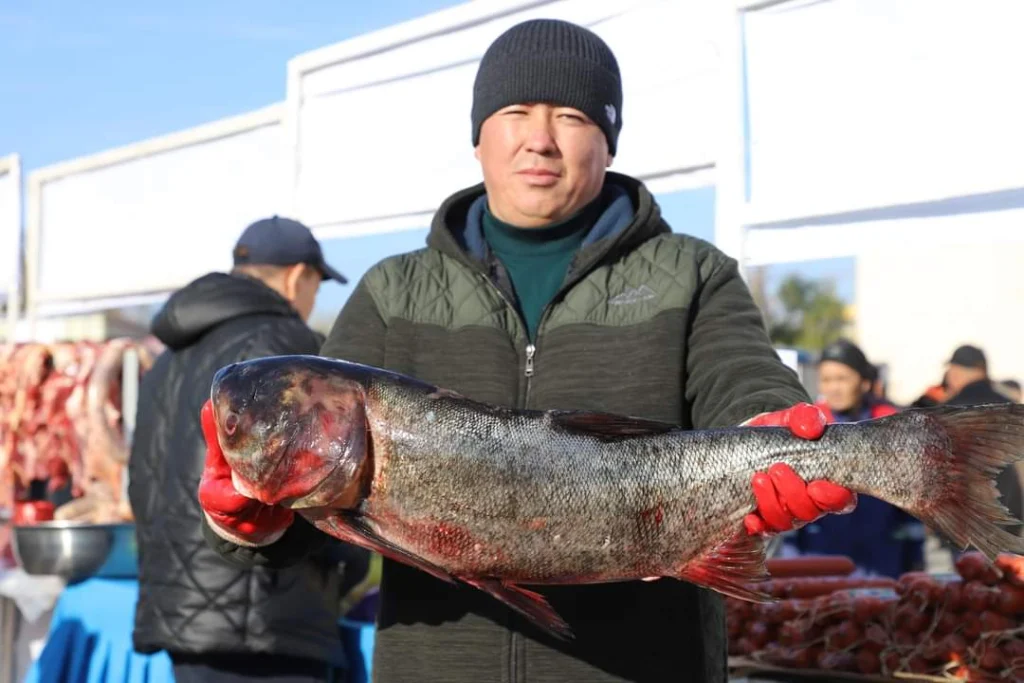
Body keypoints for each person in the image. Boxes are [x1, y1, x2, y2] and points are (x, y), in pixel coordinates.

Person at [196, 20, 858, 683]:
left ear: (608, 139)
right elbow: (321, 532)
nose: (540, 138)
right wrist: (254, 525)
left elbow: (742, 375)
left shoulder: (691, 274)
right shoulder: (391, 293)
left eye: (570, 116)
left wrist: (776, 425)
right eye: (515, 111)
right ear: (480, 136)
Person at [129, 216, 368, 683]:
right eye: (316, 286)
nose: (312, 300)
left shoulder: (168, 357)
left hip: (181, 613)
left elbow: (142, 479)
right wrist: (352, 564)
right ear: (298, 276)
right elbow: (323, 485)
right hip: (270, 617)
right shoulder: (288, 351)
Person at [782, 339, 925, 578]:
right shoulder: (804, 428)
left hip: (882, 569)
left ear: (865, 382)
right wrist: (790, 562)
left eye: (842, 378)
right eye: (827, 380)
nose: (834, 388)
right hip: (818, 568)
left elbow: (911, 505)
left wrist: (916, 562)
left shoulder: (890, 428)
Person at [942, 345, 1023, 535]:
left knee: (970, 564)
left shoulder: (949, 411)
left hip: (965, 522)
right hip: (1010, 515)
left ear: (956, 371)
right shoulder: (1008, 406)